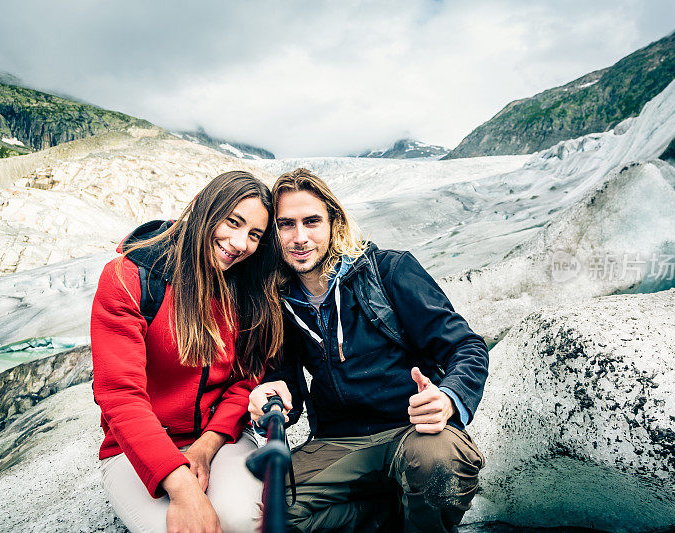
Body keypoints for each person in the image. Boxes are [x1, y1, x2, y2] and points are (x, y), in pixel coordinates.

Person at [249, 168, 488, 532]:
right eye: (286, 224)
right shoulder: (277, 301)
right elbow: (288, 382)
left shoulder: (388, 271)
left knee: (438, 463)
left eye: (311, 221)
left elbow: (466, 346)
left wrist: (450, 399)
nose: (300, 237)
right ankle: (385, 515)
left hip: (413, 431)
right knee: (269, 510)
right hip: (342, 441)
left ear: (334, 221)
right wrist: (278, 396)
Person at [91, 171, 283, 533]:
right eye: (233, 222)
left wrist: (206, 448)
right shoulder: (130, 278)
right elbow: (120, 396)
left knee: (246, 521)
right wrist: (182, 488)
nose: (240, 243)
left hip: (218, 437)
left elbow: (246, 379)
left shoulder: (245, 289)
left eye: (254, 235)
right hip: (134, 450)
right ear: (202, 209)